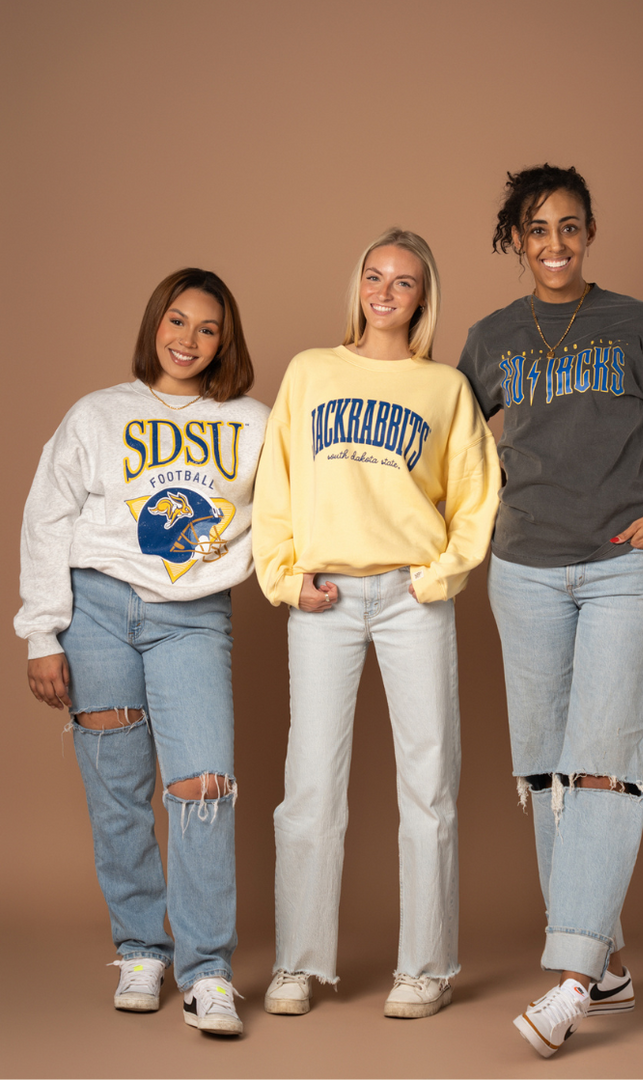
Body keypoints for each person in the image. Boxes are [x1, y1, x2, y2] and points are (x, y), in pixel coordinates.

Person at [458, 165, 643, 1058]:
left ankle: (569, 983)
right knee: (550, 775)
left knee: (604, 764)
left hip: (623, 569)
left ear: (589, 232)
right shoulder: (488, 339)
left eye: (569, 227)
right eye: (536, 230)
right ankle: (612, 965)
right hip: (522, 574)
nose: (553, 244)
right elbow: (454, 456)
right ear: (514, 241)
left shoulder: (637, 324)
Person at [251, 228, 501, 1019]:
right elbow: (276, 487)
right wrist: (287, 581)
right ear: (357, 283)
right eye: (374, 275)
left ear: (424, 295)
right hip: (323, 599)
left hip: (410, 597)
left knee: (430, 783)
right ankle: (297, 964)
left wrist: (441, 576)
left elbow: (475, 495)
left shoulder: (444, 388)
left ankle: (424, 967)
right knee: (309, 786)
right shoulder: (311, 371)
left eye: (403, 281)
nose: (385, 291)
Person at [15, 268, 270, 1036]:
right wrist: (40, 631)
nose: (188, 340)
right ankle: (139, 950)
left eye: (207, 328)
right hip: (94, 608)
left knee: (202, 788)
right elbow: (46, 517)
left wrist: (276, 562)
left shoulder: (254, 422)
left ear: (226, 340)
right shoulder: (97, 414)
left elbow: (291, 507)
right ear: (154, 323)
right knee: (117, 788)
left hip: (192, 614)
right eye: (177, 321)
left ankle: (208, 971)